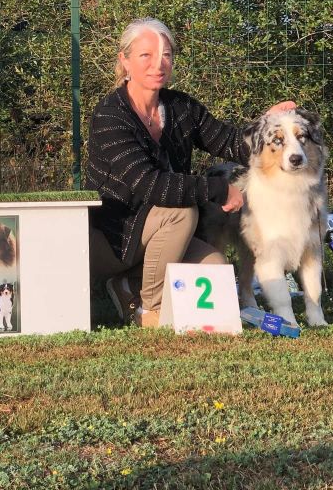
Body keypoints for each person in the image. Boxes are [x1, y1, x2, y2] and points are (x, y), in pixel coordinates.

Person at [86, 17, 296, 327]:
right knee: (181, 213)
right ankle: (150, 308)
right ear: (125, 61)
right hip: (111, 239)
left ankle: (128, 284)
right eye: (146, 55)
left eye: (166, 55)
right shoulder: (110, 116)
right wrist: (219, 189)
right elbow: (150, 185)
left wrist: (267, 126)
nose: (158, 63)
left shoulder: (181, 108)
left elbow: (231, 143)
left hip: (158, 236)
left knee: (215, 267)